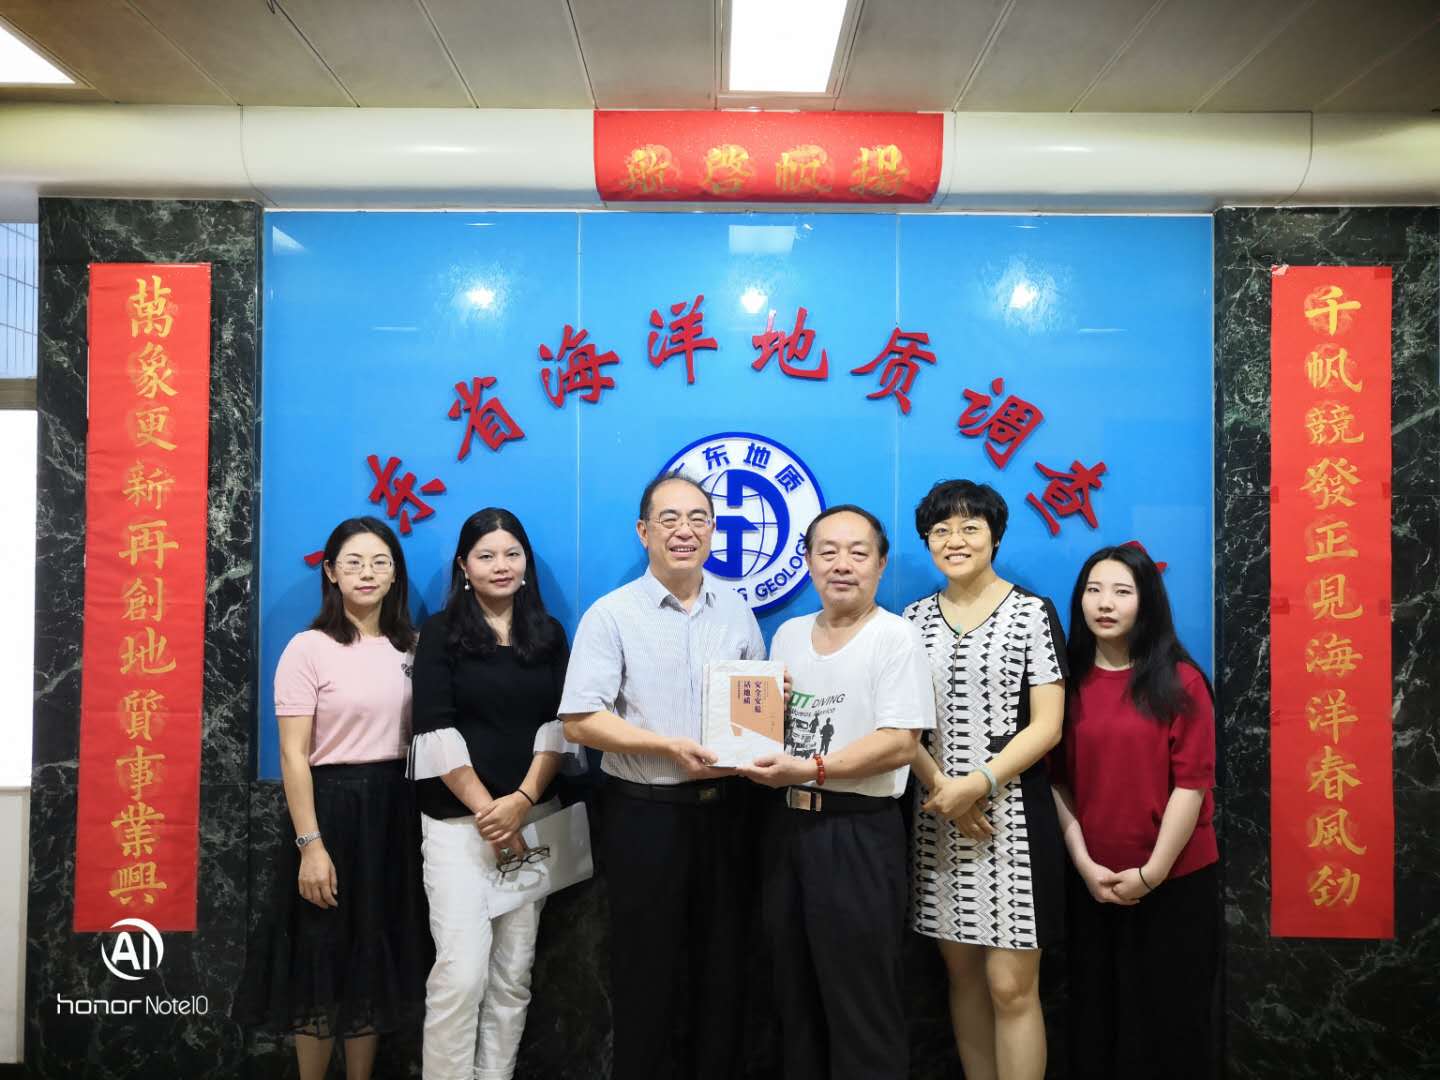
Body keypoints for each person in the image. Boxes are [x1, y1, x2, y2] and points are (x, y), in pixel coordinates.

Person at [559, 471, 766, 1080]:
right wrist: (664, 747)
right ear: (643, 531)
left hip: (728, 812)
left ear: (713, 530)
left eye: (698, 518)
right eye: (669, 519)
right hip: (645, 815)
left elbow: (754, 704)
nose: (685, 530)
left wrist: (771, 701)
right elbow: (580, 720)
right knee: (645, 971)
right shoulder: (612, 615)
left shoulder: (736, 610)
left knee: (724, 970)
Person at [741, 504, 935, 1080]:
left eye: (858, 553)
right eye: (827, 552)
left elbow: (900, 743)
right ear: (807, 562)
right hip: (786, 830)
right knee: (793, 996)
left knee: (862, 1003)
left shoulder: (895, 637)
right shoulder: (788, 635)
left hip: (859, 834)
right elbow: (763, 728)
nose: (842, 565)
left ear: (880, 564)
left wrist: (812, 768)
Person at [236, 516, 430, 1080]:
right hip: (331, 812)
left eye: (379, 562)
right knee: (319, 959)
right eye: (354, 563)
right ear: (331, 572)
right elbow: (293, 755)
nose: (367, 573)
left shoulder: (414, 647)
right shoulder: (309, 649)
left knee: (374, 954)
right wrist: (311, 845)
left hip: (396, 812)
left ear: (395, 574)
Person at [408, 508, 581, 1080]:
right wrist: (490, 812)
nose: (500, 565)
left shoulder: (549, 635)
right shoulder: (440, 633)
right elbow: (434, 731)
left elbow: (560, 727)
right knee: (460, 975)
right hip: (459, 829)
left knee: (513, 975)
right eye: (486, 556)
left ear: (526, 562)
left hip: (533, 822)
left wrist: (522, 803)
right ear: (464, 566)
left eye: (511, 554)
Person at [904, 480, 1067, 1080]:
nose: (956, 540)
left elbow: (1048, 725)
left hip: (1011, 821)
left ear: (995, 537)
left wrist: (977, 785)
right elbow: (902, 725)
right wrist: (945, 791)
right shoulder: (912, 620)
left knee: (1010, 986)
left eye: (970, 528)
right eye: (941, 530)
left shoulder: (1031, 613)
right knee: (963, 976)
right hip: (938, 819)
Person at [1051, 544, 1218, 1080]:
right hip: (1093, 884)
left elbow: (1191, 787)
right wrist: (1084, 865)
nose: (1105, 603)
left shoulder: (1181, 682)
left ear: (1147, 601)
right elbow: (1057, 782)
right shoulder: (1065, 685)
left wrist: (1152, 874)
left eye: (1122, 591)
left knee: (1171, 1023)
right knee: (1095, 1021)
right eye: (1094, 590)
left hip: (1175, 882)